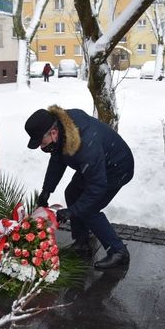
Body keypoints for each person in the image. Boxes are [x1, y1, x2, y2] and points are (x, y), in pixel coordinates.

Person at [24, 106, 134, 269]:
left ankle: (118, 251)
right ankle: (82, 241)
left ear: (53, 133)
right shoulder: (62, 128)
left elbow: (96, 188)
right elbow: (57, 160)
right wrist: (47, 190)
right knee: (72, 193)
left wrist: (72, 211)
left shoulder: (84, 144)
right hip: (96, 164)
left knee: (89, 208)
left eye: (41, 141)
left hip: (116, 168)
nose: (41, 147)